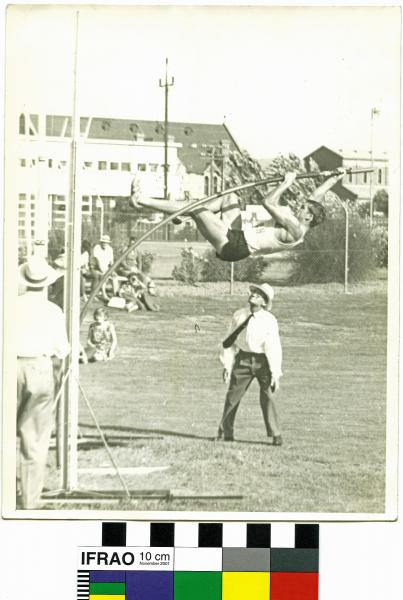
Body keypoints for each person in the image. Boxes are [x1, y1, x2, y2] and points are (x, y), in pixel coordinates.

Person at [130, 168, 345, 261]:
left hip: (235, 246)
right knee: (229, 198)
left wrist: (286, 183)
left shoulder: (296, 229)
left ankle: (141, 202)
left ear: (308, 217)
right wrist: (335, 178)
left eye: (303, 209)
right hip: (238, 234)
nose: (300, 207)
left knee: (197, 208)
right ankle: (184, 214)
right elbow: (316, 197)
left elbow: (268, 202)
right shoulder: (303, 220)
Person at [16, 256, 70, 508]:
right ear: (46, 284)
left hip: (9, 367)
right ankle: (29, 501)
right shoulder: (52, 311)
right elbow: (62, 349)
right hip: (38, 369)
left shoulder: (9, 306)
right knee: (34, 439)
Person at [217, 283, 283, 445]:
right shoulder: (239, 315)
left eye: (259, 295)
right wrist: (227, 364)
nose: (254, 295)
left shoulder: (269, 320)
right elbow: (228, 341)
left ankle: (276, 434)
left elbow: (273, 347)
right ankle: (226, 433)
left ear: (265, 303)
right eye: (254, 292)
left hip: (263, 362)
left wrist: (275, 373)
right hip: (243, 360)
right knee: (232, 396)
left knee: (268, 396)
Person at [90, 235, 118, 301]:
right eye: (103, 242)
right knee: (103, 276)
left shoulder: (110, 249)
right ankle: (104, 294)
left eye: (106, 242)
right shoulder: (97, 248)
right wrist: (102, 270)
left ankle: (115, 295)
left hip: (106, 268)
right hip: (97, 268)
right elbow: (96, 261)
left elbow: (111, 262)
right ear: (101, 242)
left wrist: (112, 270)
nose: (104, 244)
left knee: (115, 277)